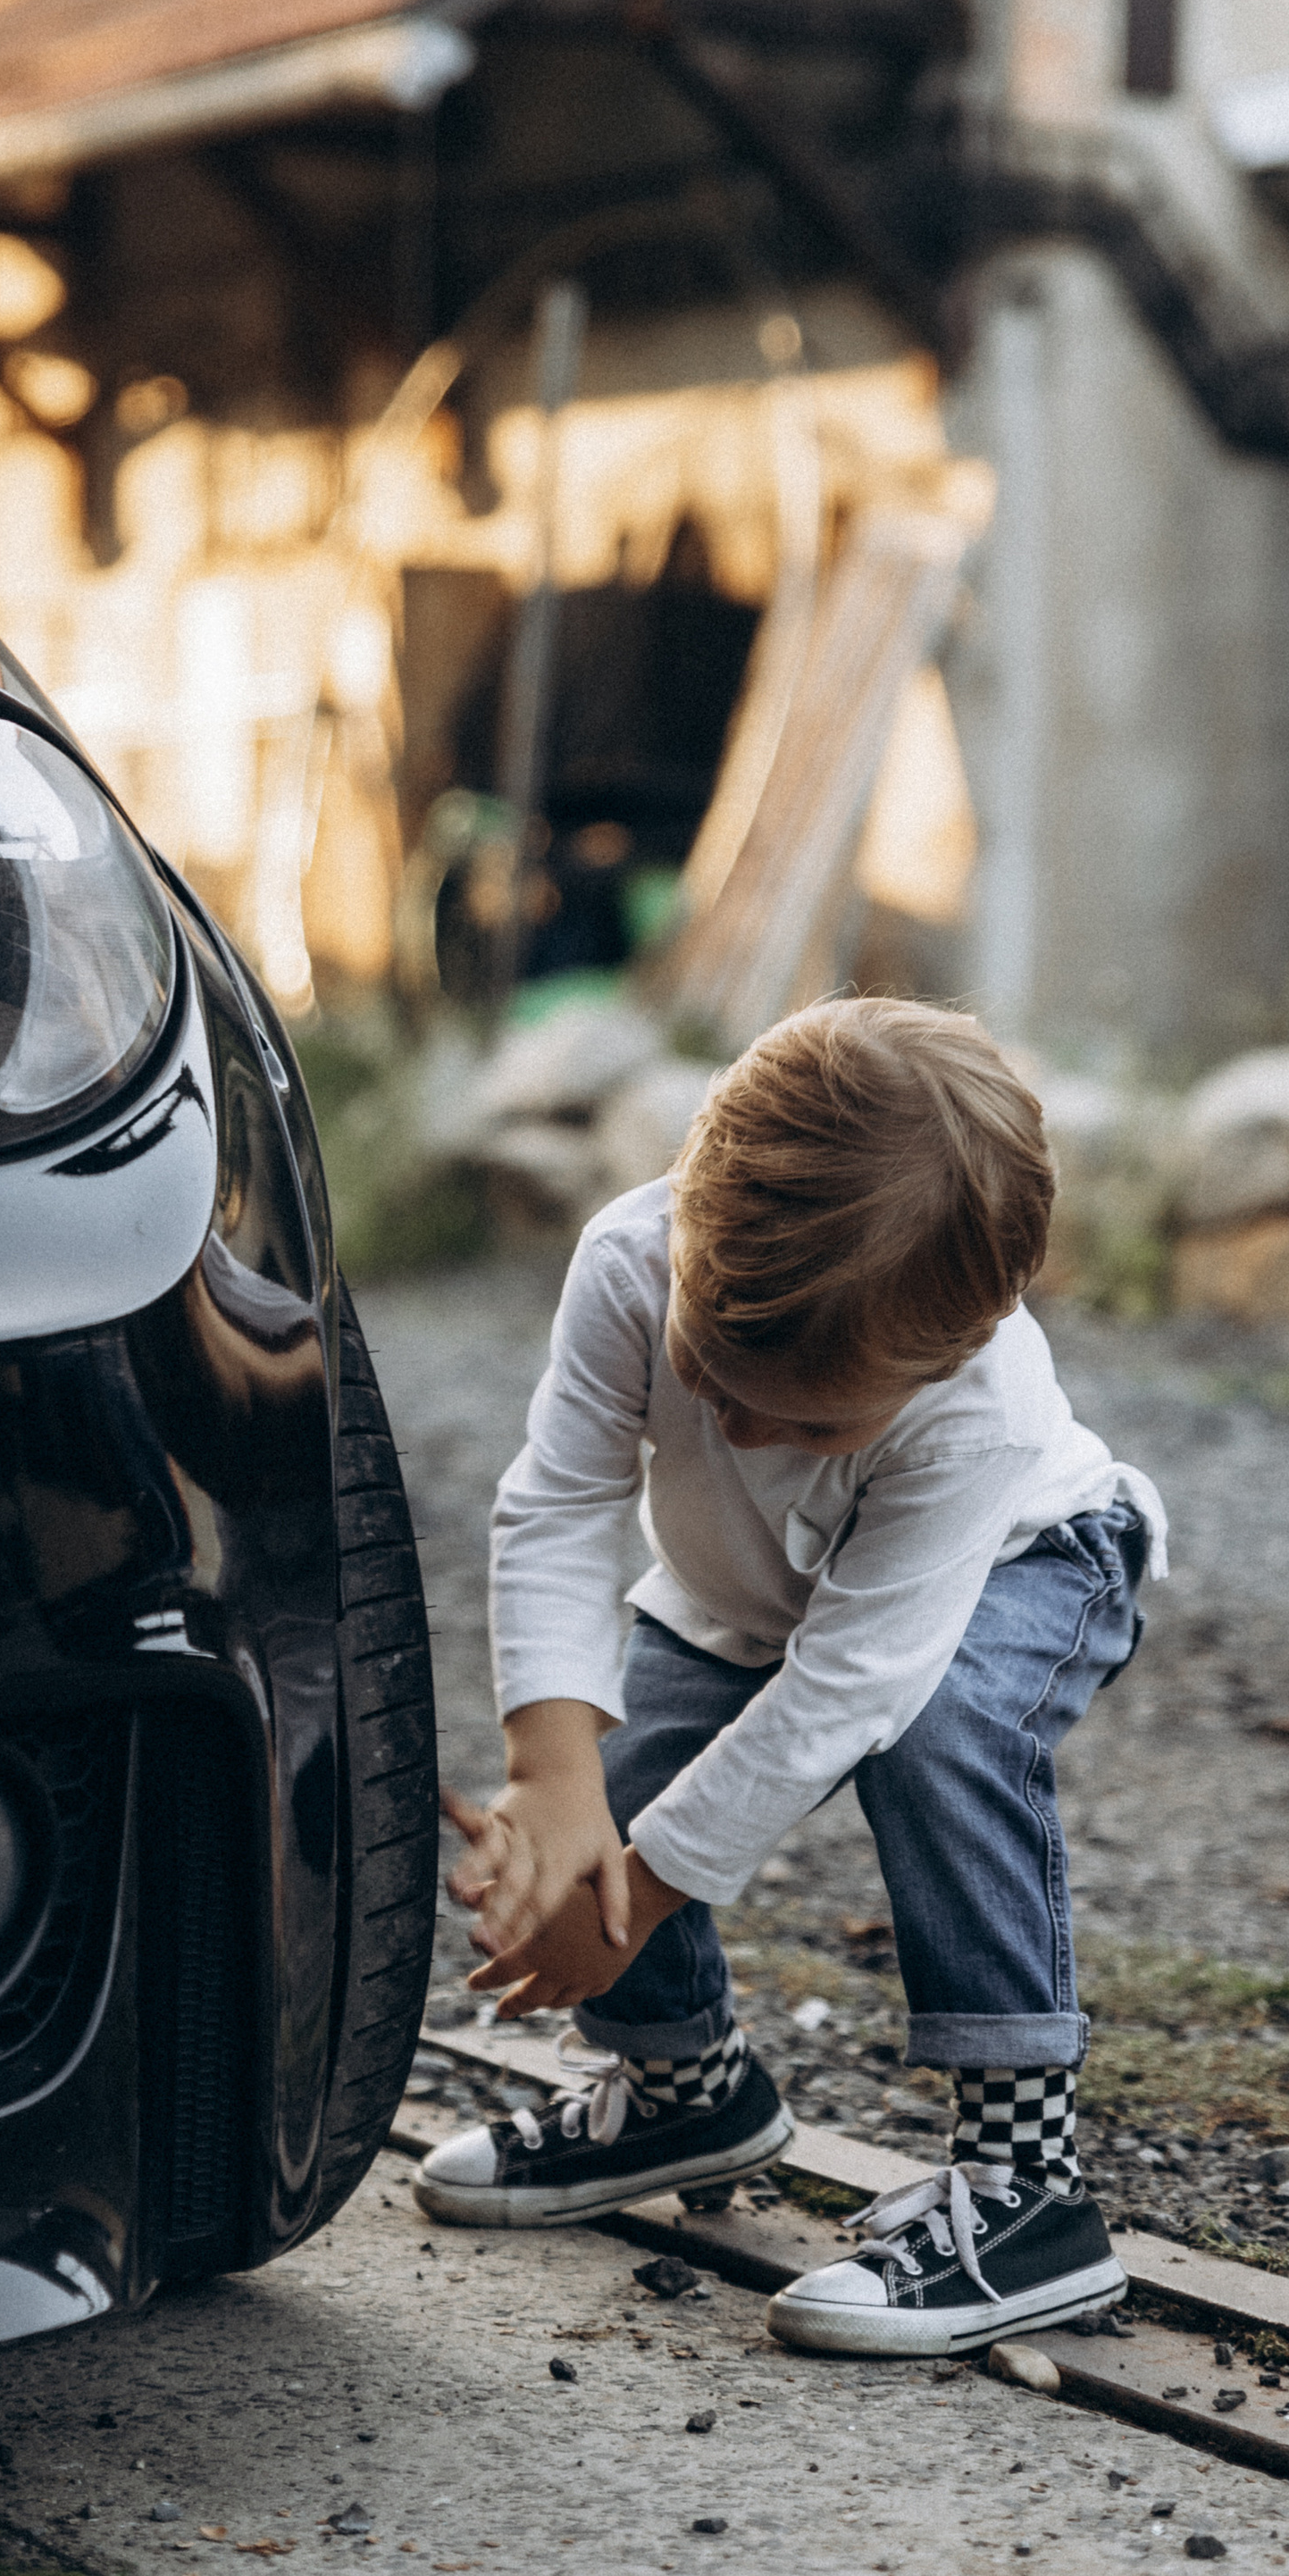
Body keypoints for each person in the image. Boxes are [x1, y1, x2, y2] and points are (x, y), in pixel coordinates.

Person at [414, 997, 1165, 2358]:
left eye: (808, 1422)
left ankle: (1029, 2192)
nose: (742, 1428)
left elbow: (853, 1688)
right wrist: (554, 1771)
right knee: (623, 1785)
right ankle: (685, 2092)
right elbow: (563, 1501)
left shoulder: (981, 1410)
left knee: (941, 1735)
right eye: (708, 1376)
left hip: (1019, 1562)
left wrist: (635, 1896)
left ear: (957, 1346)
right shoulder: (628, 1261)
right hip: (746, 1588)